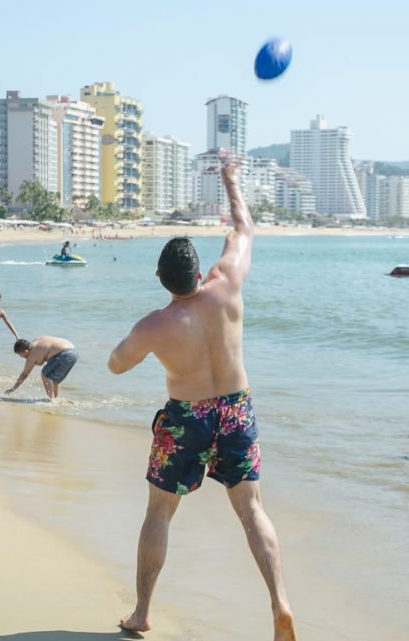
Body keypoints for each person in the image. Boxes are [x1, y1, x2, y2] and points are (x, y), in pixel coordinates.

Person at [107, 150, 295, 641]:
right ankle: (279, 602)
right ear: (199, 273)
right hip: (236, 409)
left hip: (185, 417)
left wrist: (144, 338)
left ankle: (142, 611)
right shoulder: (227, 284)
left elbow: (116, 364)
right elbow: (244, 228)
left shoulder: (156, 325)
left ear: (160, 279)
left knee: (159, 512)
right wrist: (231, 179)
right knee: (251, 510)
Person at [5, 336, 77, 400]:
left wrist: (13, 388)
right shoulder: (37, 341)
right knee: (54, 378)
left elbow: (25, 374)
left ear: (26, 351)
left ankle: (50, 400)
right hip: (74, 352)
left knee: (45, 374)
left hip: (64, 354)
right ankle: (55, 398)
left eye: (21, 355)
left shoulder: (32, 354)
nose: (21, 357)